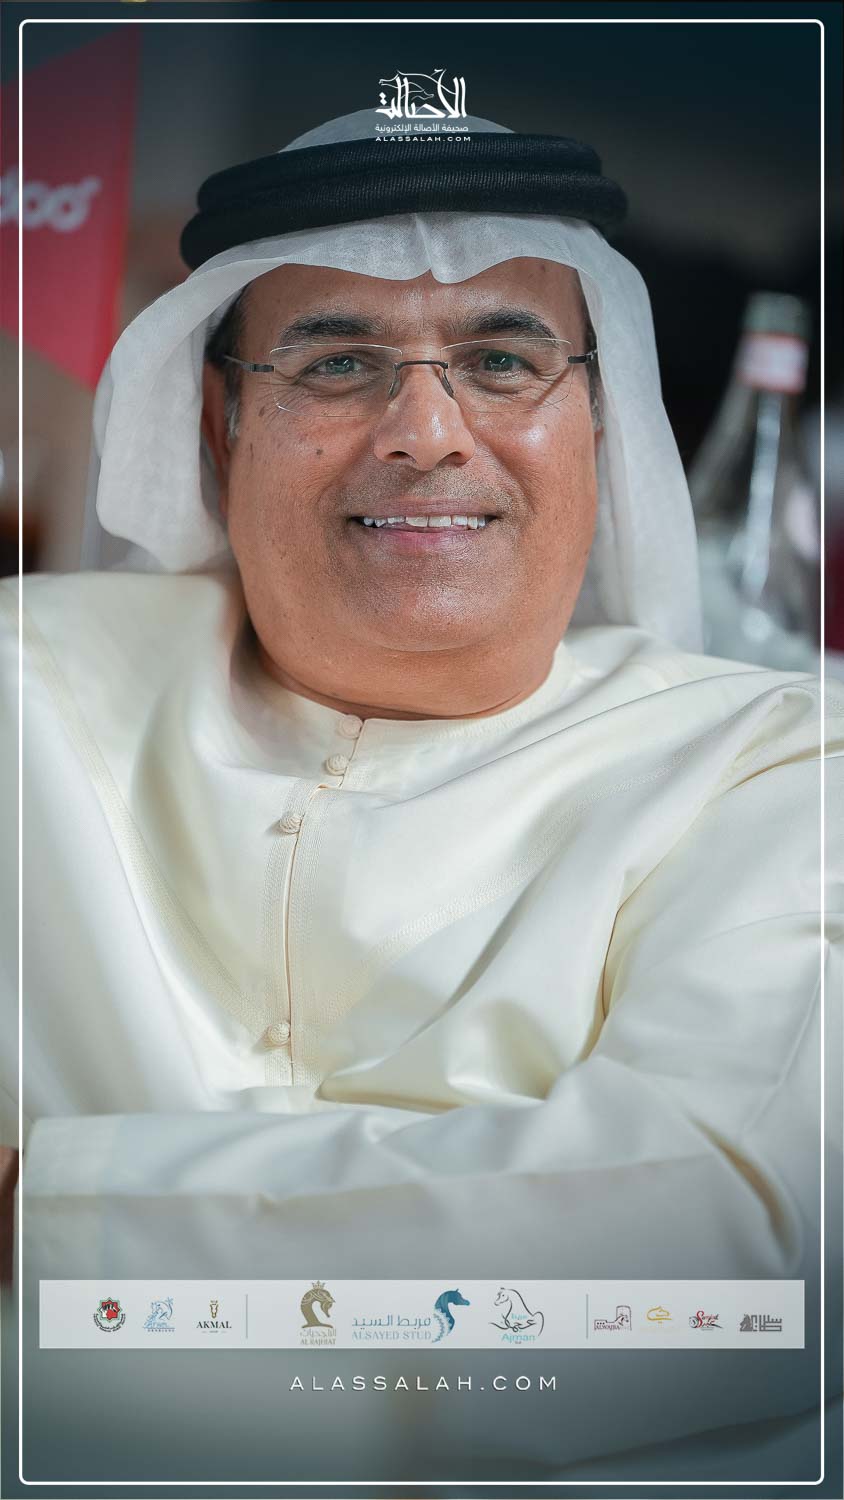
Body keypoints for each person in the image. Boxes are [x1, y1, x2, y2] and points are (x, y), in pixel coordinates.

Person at [0, 108, 840, 1484]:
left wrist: (46, 1213)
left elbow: (741, 1252)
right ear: (219, 424)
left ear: (599, 422)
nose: (428, 433)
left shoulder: (781, 766)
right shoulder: (20, 694)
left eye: (504, 362)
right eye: (336, 364)